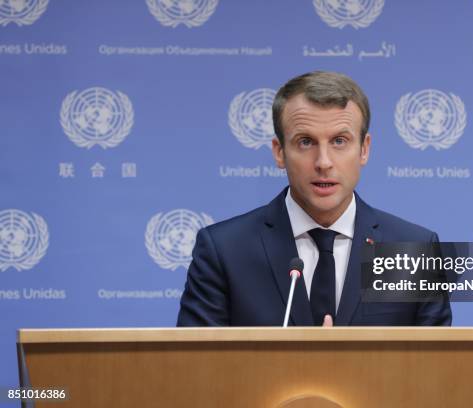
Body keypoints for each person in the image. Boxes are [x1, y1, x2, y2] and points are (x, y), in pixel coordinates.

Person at [177, 71, 451, 327]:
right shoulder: (225, 251)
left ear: (364, 149)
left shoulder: (413, 251)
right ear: (279, 152)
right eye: (306, 142)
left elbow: (435, 370)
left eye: (339, 141)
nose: (323, 162)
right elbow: (196, 369)